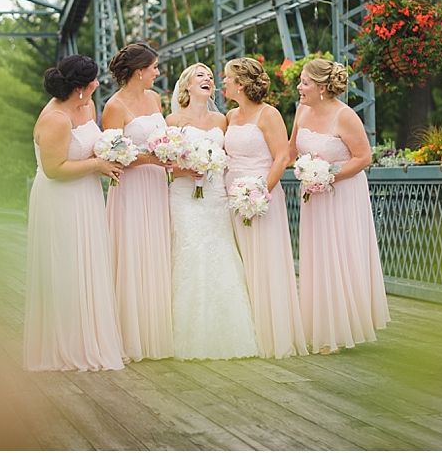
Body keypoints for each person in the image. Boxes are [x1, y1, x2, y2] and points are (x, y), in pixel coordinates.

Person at [23, 55, 126, 371]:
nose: (99, 84)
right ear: (80, 87)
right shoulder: (54, 118)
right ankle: (65, 346)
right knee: (66, 265)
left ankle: (90, 338)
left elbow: (89, 145)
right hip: (60, 199)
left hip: (86, 195)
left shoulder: (87, 106)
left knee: (89, 262)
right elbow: (54, 169)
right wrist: (97, 164)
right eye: (94, 80)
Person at [290, 57, 390, 354]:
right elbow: (290, 148)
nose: (300, 87)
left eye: (305, 82)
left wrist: (328, 176)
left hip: (342, 192)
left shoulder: (345, 116)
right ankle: (319, 326)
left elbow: (363, 157)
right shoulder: (301, 111)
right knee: (318, 256)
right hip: (313, 195)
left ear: (321, 87)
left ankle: (339, 329)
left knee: (340, 253)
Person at [166, 62, 258, 360]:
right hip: (184, 195)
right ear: (187, 86)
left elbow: (233, 155)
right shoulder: (172, 119)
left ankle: (229, 335)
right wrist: (186, 169)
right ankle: (186, 335)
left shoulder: (222, 120)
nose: (208, 79)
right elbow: (166, 164)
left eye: (210, 76)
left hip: (216, 195)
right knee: (190, 252)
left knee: (221, 253)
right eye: (200, 76)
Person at [221, 57, 309, 359]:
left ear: (241, 83)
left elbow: (282, 158)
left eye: (227, 78)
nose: (223, 82)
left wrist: (259, 192)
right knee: (241, 263)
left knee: (265, 261)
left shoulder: (268, 114)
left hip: (261, 196)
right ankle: (248, 334)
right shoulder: (230, 117)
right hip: (231, 196)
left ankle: (274, 334)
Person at [101, 42, 174, 362]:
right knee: (133, 253)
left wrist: (172, 151)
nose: (158, 72)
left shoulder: (155, 98)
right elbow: (112, 155)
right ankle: (130, 336)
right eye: (155, 67)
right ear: (139, 71)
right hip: (131, 188)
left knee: (157, 251)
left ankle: (157, 332)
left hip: (157, 186)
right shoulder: (114, 107)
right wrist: (151, 157)